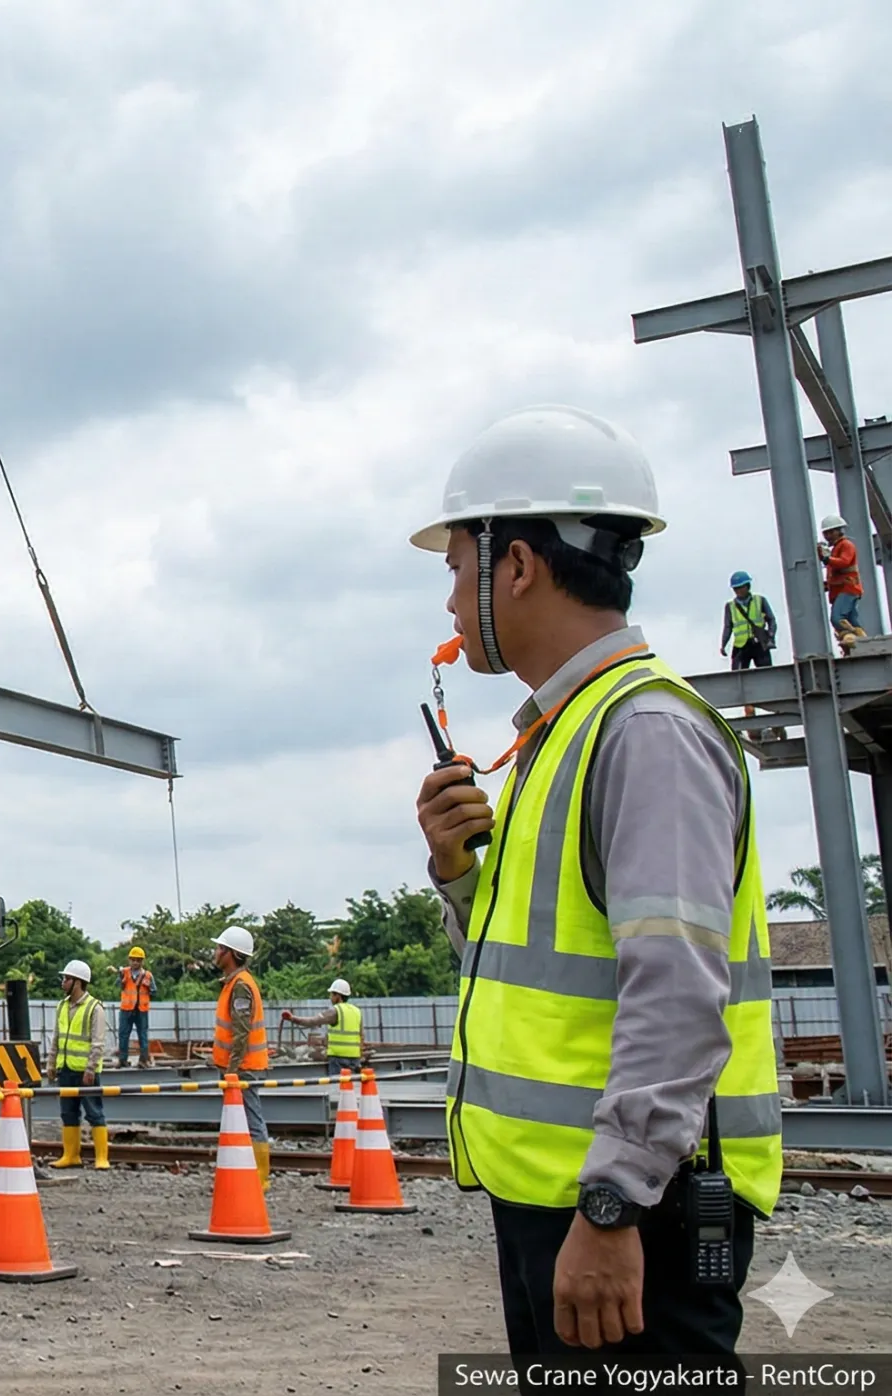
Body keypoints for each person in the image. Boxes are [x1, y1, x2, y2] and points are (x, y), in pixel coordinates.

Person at [411, 404, 779, 1356]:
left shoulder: (643, 731)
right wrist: (458, 874)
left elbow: (678, 988)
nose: (452, 602)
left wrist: (614, 1204)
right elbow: (529, 968)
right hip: (560, 1198)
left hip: (625, 1213)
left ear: (520, 566)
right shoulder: (564, 734)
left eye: (458, 568)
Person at [208, 925, 269, 1188]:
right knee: (239, 1120)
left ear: (230, 953)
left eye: (219, 948)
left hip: (241, 1068)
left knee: (251, 1119)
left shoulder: (241, 986)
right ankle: (245, 1173)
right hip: (236, 1066)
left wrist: (232, 1069)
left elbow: (241, 1032)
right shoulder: (234, 983)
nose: (215, 952)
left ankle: (260, 1178)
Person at [48, 959, 110, 1170]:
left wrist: (90, 1068)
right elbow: (56, 1038)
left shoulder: (95, 1008)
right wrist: (51, 1063)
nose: (63, 983)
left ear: (78, 982)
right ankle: (71, 1155)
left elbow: (98, 1042)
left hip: (85, 1072)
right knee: (68, 1113)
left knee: (94, 1112)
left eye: (66, 979)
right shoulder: (62, 1006)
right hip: (66, 1069)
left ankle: (102, 1158)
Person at [280, 978, 362, 1077]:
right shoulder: (357, 1011)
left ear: (338, 996)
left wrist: (292, 1018)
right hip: (355, 1058)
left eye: (332, 994)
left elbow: (311, 1021)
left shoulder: (335, 1011)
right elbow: (361, 1036)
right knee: (353, 1087)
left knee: (338, 1088)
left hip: (338, 1060)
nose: (330, 997)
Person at [819, 514, 865, 649]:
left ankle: (852, 639)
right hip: (842, 589)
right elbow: (836, 573)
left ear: (839, 531)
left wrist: (827, 559)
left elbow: (844, 562)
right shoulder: (836, 549)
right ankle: (862, 641)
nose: (828, 536)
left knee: (837, 618)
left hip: (848, 589)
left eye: (830, 532)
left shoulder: (846, 545)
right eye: (826, 533)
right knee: (852, 620)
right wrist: (827, 585)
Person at [717, 571, 773, 670]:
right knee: (737, 675)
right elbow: (727, 627)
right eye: (736, 588)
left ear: (747, 586)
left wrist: (771, 634)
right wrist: (723, 645)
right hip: (740, 646)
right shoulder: (730, 606)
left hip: (759, 643)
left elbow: (771, 619)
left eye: (741, 587)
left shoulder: (760, 600)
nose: (739, 590)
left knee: (767, 672)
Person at [115, 945, 153, 1067]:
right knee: (123, 1034)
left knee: (143, 1035)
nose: (135, 962)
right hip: (126, 1009)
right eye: (133, 959)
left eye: (138, 960)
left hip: (141, 1009)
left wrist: (148, 987)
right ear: (129, 960)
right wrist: (120, 978)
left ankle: (143, 1060)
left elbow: (154, 991)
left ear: (142, 961)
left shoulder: (147, 975)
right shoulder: (124, 973)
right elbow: (118, 986)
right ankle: (123, 1060)